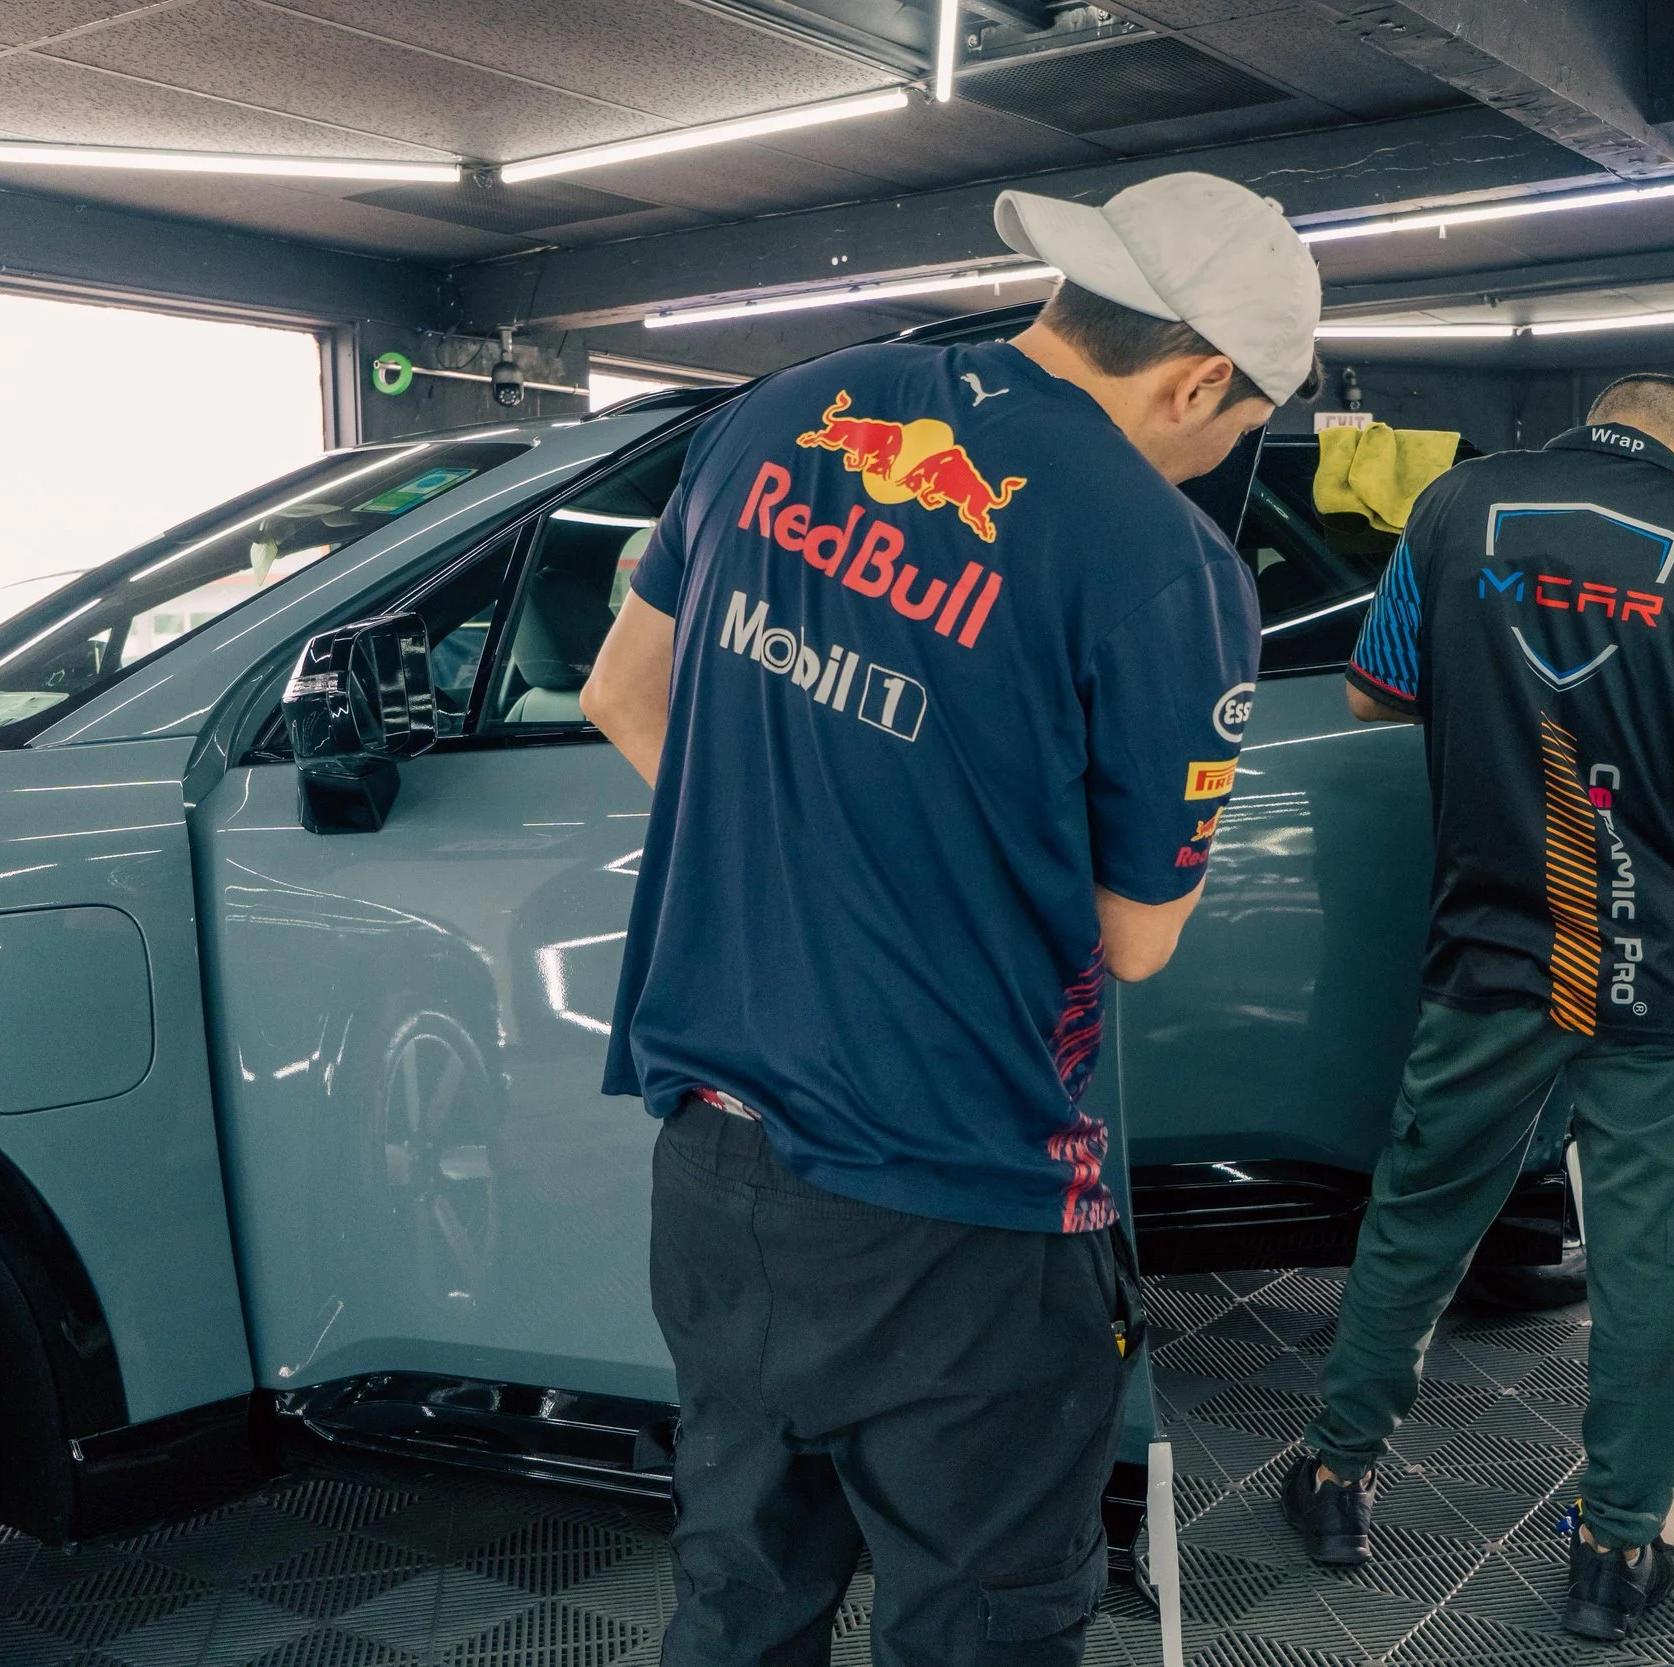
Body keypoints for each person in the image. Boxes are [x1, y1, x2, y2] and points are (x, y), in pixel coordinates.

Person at [579, 172, 1322, 1666]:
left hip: (716, 1161)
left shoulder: (786, 407)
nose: (1227, 457)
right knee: (981, 1620)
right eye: (1243, 426)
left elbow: (620, 691)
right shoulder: (1163, 563)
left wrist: (817, 827)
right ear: (1197, 375)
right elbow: (1136, 937)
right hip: (959, 1199)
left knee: (738, 1595)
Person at [1280, 373, 1674, 1643]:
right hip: (1666, 955)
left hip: (1497, 940)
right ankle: (1617, 1544)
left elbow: (1371, 690)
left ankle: (1335, 1474)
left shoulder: (1456, 507)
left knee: (1419, 1218)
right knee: (1643, 1266)